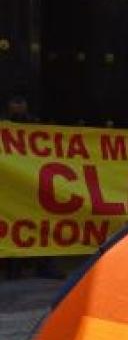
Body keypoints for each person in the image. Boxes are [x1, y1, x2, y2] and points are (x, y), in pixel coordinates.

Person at [3, 95, 64, 280]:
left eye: (22, 101)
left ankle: (44, 265)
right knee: (13, 224)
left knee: (42, 222)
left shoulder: (36, 124)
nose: (19, 105)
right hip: (10, 185)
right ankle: (13, 267)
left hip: (34, 182)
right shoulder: (4, 125)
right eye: (15, 101)